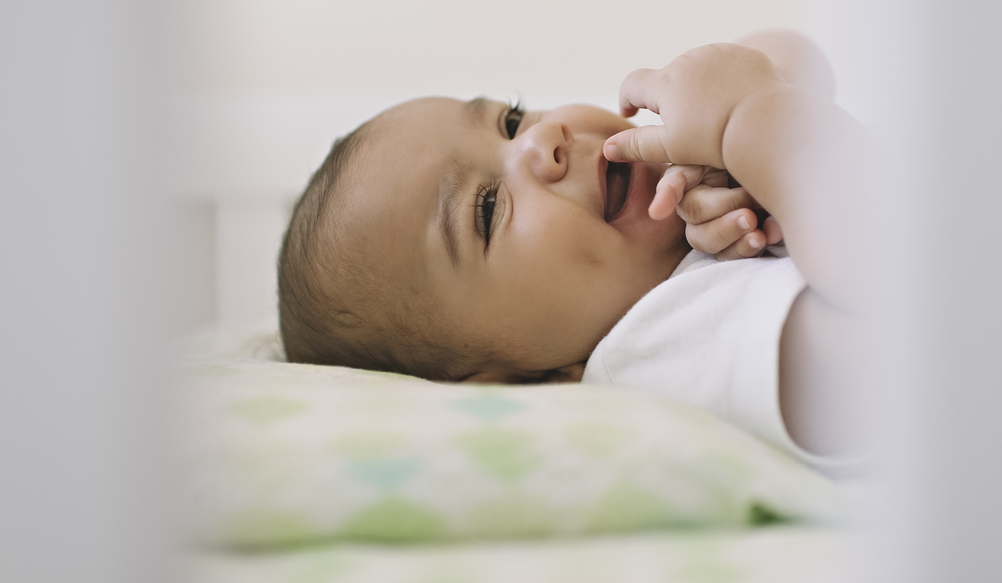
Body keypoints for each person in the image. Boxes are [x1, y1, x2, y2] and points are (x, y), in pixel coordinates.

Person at [277, 31, 878, 465]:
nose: (542, 140)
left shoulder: (699, 171)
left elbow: (801, 57)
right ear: (520, 381)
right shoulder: (658, 344)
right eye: (486, 209)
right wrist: (753, 125)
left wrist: (733, 133)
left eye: (510, 121)